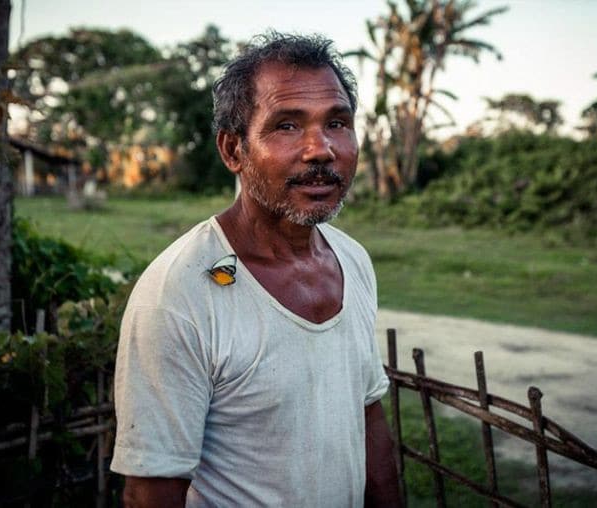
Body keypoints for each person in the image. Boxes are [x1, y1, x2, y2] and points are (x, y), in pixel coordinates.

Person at [110, 32, 402, 507]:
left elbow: (368, 418)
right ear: (233, 151)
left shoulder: (353, 261)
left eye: (338, 122)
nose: (320, 149)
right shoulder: (180, 292)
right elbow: (151, 491)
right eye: (287, 126)